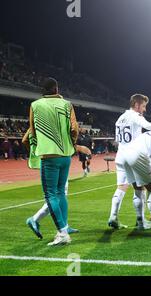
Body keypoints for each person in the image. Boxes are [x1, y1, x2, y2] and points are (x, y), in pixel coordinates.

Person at [27, 77, 79, 246]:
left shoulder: (35, 105)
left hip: (48, 156)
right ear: (57, 89)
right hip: (66, 156)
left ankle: (63, 233)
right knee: (60, 193)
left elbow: (32, 132)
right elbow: (74, 128)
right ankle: (64, 226)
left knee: (50, 195)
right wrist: (72, 143)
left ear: (42, 90)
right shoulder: (67, 104)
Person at [107, 94, 151, 230]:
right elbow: (148, 125)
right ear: (137, 104)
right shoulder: (135, 116)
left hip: (121, 156)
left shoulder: (120, 118)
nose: (144, 110)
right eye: (144, 106)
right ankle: (141, 221)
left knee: (121, 187)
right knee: (140, 188)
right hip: (133, 156)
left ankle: (113, 217)